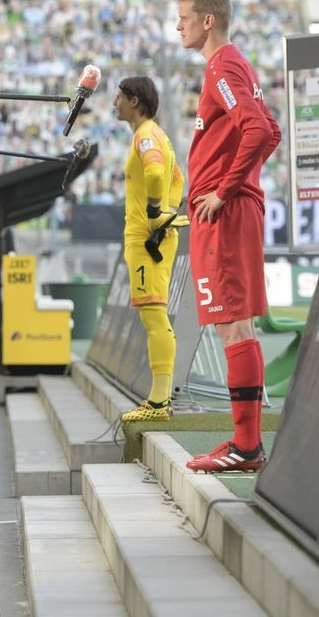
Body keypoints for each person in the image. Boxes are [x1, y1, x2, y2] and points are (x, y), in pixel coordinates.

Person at [175, 0, 281, 473]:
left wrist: (224, 189)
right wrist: (241, 182)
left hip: (225, 213)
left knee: (233, 324)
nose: (178, 26)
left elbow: (258, 130)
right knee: (239, 324)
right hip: (233, 209)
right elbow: (270, 130)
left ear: (208, 20)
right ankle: (247, 443)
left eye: (184, 17)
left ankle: (247, 447)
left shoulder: (221, 66)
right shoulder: (234, 64)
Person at [112, 76, 186, 422]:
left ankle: (158, 403)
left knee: (154, 316)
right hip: (151, 236)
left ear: (135, 101)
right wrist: (167, 211)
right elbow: (178, 179)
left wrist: (156, 213)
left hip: (146, 240)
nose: (115, 103)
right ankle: (159, 400)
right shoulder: (157, 134)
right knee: (153, 315)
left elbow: (157, 174)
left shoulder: (145, 136)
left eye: (119, 97)